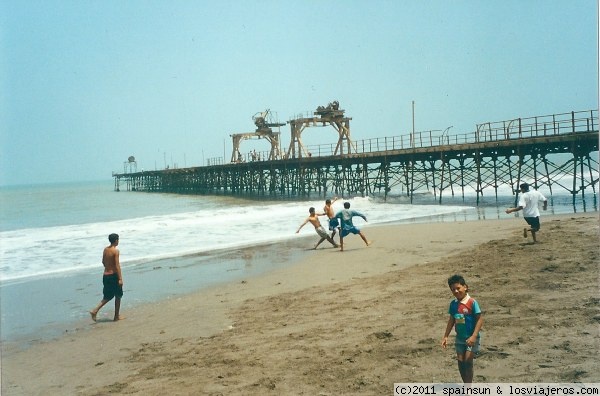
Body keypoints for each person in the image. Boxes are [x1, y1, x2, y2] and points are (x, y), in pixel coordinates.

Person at [441, 274, 483, 384]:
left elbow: (479, 319)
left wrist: (474, 336)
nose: (456, 291)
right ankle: (466, 384)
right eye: (453, 289)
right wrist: (446, 336)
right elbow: (451, 320)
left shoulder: (472, 302)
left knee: (468, 360)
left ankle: (468, 388)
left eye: (458, 288)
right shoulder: (453, 304)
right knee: (460, 361)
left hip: (471, 337)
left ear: (465, 287)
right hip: (459, 338)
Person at [90, 233, 124, 322]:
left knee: (107, 296)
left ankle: (95, 310)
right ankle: (116, 316)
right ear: (116, 240)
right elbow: (117, 265)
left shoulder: (106, 249)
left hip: (106, 275)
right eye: (118, 239)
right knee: (118, 295)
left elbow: (103, 262)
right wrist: (120, 278)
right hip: (113, 275)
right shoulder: (115, 251)